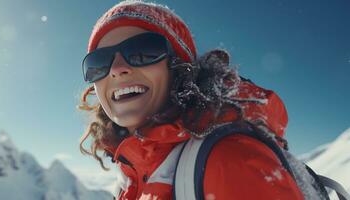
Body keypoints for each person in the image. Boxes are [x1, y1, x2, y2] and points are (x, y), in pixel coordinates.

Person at [78, 1, 306, 199]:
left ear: (181, 68)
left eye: (143, 51)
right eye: (99, 63)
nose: (117, 69)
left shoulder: (230, 161)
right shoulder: (132, 176)